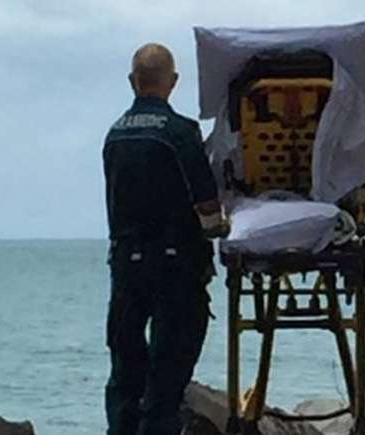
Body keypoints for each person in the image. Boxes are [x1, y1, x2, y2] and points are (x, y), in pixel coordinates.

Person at [102, 43, 224, 435]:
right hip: (174, 268)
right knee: (166, 378)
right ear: (173, 83)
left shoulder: (114, 135)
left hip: (125, 266)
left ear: (131, 81)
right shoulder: (179, 133)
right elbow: (207, 206)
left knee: (125, 372)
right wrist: (221, 228)